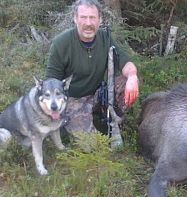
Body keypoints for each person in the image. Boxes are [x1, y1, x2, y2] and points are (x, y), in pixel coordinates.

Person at [46, 0, 139, 135]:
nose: (88, 23)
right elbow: (51, 80)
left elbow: (124, 61)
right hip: (73, 99)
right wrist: (55, 109)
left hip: (97, 94)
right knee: (92, 146)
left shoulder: (105, 38)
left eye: (92, 18)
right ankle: (67, 121)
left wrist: (132, 76)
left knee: (128, 81)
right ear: (75, 18)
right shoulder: (61, 43)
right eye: (83, 17)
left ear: (100, 20)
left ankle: (113, 118)